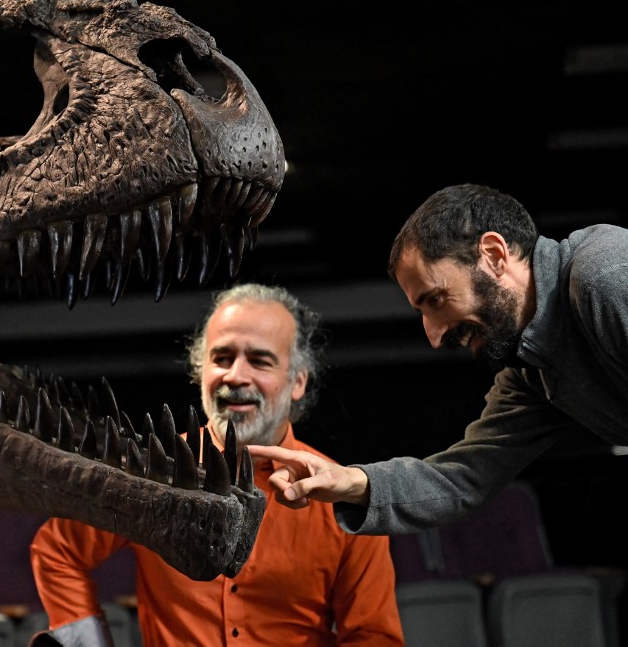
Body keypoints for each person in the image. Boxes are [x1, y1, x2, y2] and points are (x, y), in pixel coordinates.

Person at [29, 283, 405, 646]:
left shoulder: (345, 494)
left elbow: (372, 635)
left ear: (298, 382)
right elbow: (58, 549)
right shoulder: (150, 472)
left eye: (260, 360)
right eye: (221, 358)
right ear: (201, 370)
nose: (235, 376)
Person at [248, 183, 628, 535]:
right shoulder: (533, 370)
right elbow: (464, 479)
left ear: (494, 255)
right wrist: (350, 482)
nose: (433, 336)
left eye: (435, 299)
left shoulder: (604, 275)